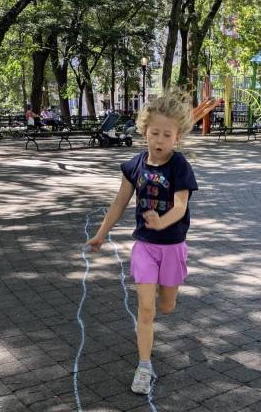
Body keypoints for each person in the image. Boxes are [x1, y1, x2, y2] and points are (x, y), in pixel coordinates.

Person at [85, 89, 198, 395]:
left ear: (177, 138)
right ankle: (144, 366)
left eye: (167, 135)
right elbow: (119, 202)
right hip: (145, 247)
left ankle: (168, 295)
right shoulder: (134, 166)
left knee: (167, 305)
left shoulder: (179, 166)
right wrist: (100, 233)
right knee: (146, 309)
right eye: (154, 133)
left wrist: (162, 221)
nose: (159, 140)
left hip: (173, 247)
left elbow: (180, 205)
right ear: (144, 131)